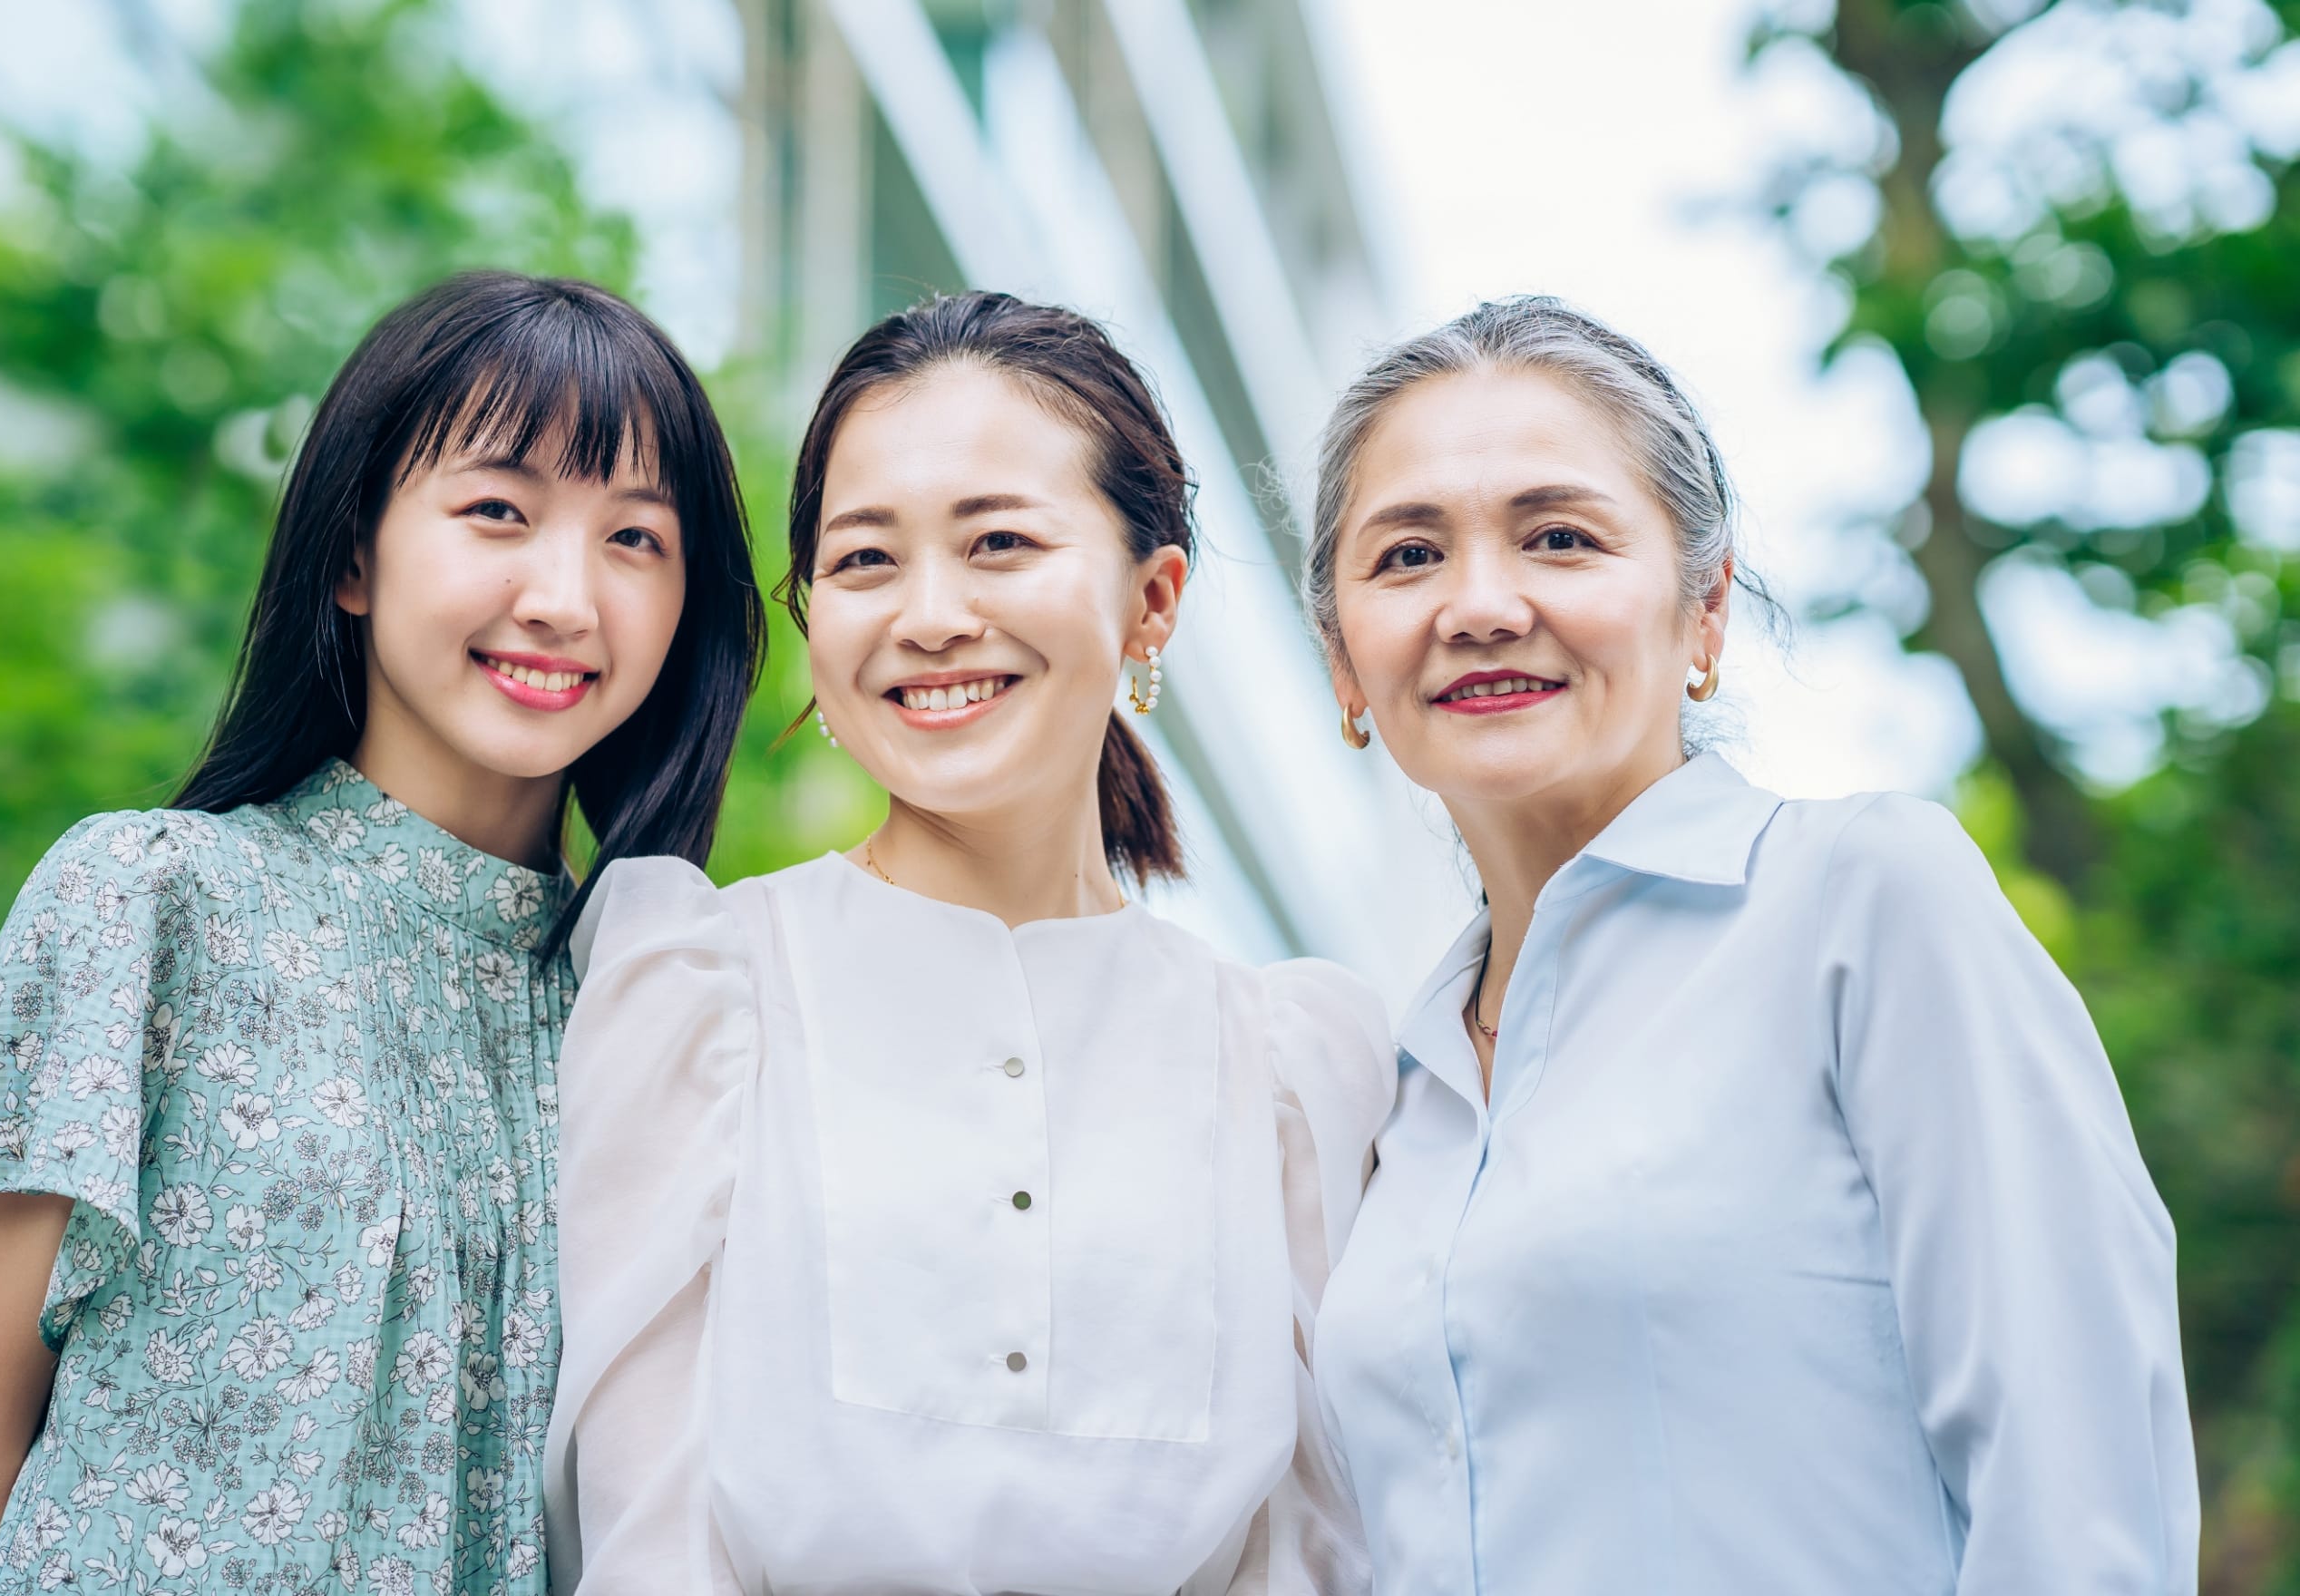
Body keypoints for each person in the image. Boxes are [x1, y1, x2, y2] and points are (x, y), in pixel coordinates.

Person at [0, 269, 765, 1596]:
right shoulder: (149, 901)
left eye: (635, 539)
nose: (566, 599)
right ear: (354, 554)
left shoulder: (654, 1011)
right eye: (498, 513)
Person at [1301, 296, 2199, 1593]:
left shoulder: (1862, 902)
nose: (1480, 605)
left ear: (1706, 609)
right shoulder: (1394, 1092)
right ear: (1343, 660)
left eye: (1559, 537)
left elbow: (2080, 1493)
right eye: (1406, 558)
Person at [542, 290, 1395, 1595]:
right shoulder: (699, 988)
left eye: (998, 543)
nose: (930, 615)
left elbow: (1318, 1550)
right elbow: (645, 1540)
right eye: (868, 560)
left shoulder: (1289, 1060)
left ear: (1150, 600)